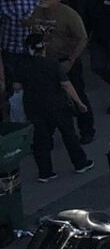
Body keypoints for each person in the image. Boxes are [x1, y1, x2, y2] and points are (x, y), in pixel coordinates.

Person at [18, 35, 91, 183]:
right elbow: (66, 84)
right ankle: (80, 163)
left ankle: (45, 172)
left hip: (34, 107)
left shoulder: (22, 65)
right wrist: (79, 103)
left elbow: (17, 86)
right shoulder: (51, 63)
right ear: (43, 47)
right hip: (57, 105)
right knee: (69, 134)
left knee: (41, 140)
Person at [29, 0, 91, 142]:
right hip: (45, 61)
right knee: (48, 98)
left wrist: (71, 60)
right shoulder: (36, 12)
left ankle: (87, 129)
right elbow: (30, 27)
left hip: (65, 60)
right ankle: (48, 134)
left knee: (77, 94)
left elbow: (82, 38)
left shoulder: (69, 15)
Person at [0, 0, 38, 98]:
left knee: (30, 78)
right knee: (12, 80)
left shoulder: (31, 0)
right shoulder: (2, 3)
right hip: (9, 47)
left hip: (28, 47)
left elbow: (39, 20)